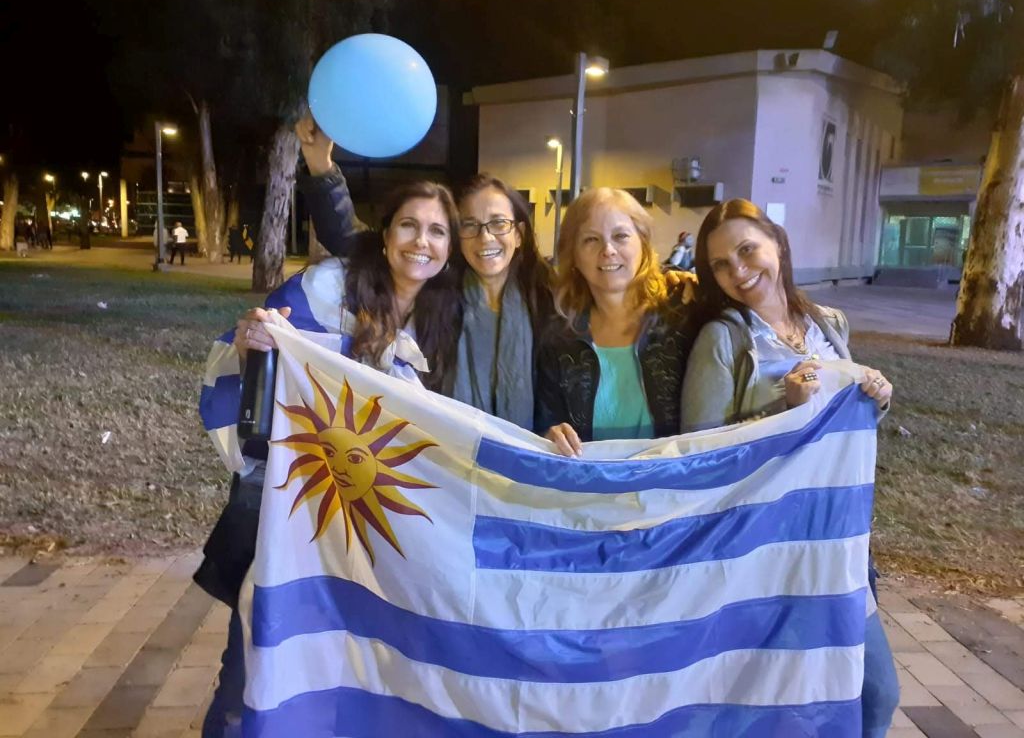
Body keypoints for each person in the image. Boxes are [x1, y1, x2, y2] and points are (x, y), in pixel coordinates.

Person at [195, 179, 460, 737]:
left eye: (437, 231)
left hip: (374, 525)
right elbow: (262, 350)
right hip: (295, 507)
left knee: (342, 662)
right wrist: (254, 342)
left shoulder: (442, 317)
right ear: (385, 235)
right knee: (258, 655)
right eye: (409, 225)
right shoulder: (327, 288)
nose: (422, 242)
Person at [680, 198, 899, 738]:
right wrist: (783, 408)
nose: (738, 269)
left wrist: (879, 395)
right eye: (721, 265)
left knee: (875, 693)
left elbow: (848, 420)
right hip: (763, 546)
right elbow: (702, 453)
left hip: (835, 535)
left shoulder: (829, 322)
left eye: (747, 249)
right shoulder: (723, 339)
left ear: (777, 243)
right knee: (771, 699)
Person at [296, 112, 554, 428]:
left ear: (519, 234)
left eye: (499, 223)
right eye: (470, 225)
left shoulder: (546, 298)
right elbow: (353, 240)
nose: (486, 237)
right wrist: (321, 167)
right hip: (447, 452)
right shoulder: (441, 287)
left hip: (527, 455)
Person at [535, 188, 695, 454]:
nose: (608, 250)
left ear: (643, 243)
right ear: (573, 254)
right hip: (591, 488)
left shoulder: (684, 315)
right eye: (590, 240)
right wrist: (548, 434)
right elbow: (544, 419)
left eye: (621, 236)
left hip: (669, 487)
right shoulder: (558, 334)